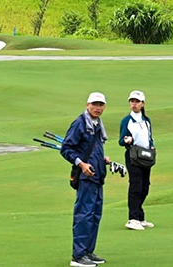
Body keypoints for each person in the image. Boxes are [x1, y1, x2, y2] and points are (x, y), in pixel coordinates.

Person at [61, 92, 112, 267]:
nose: (98, 108)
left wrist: (102, 160)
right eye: (94, 104)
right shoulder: (80, 123)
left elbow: (91, 149)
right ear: (87, 105)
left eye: (101, 105)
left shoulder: (97, 124)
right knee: (84, 215)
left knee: (95, 215)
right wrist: (81, 164)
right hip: (85, 177)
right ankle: (78, 256)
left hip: (98, 176)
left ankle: (88, 251)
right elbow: (66, 149)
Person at [119, 90, 155, 231]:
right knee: (136, 185)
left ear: (142, 104)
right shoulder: (126, 121)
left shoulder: (146, 120)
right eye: (132, 101)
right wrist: (127, 140)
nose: (134, 104)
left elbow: (149, 137)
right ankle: (133, 219)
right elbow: (121, 141)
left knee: (145, 187)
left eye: (137, 101)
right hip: (133, 155)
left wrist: (152, 146)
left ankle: (140, 217)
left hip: (146, 156)